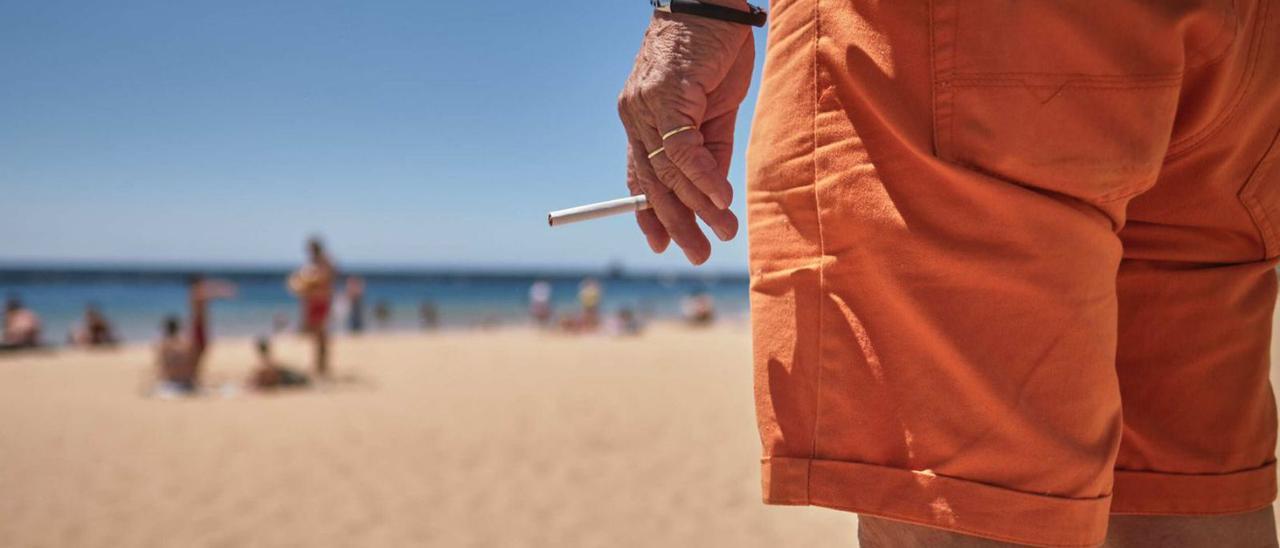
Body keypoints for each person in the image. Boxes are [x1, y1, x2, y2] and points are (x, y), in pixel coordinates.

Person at [617, 2, 1280, 546]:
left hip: (958, 32)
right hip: (1249, 49)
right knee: (1183, 496)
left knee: (967, 507)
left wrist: (700, 12)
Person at [287, 237, 336, 376]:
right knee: (316, 333)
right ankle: (319, 365)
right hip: (314, 300)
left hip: (320, 300)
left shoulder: (325, 262)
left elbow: (321, 279)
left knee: (319, 333)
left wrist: (304, 283)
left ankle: (322, 366)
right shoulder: (315, 263)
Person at [154, 316, 197, 396]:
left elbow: (161, 367)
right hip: (188, 382)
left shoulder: (164, 345)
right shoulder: (187, 343)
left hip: (172, 383)